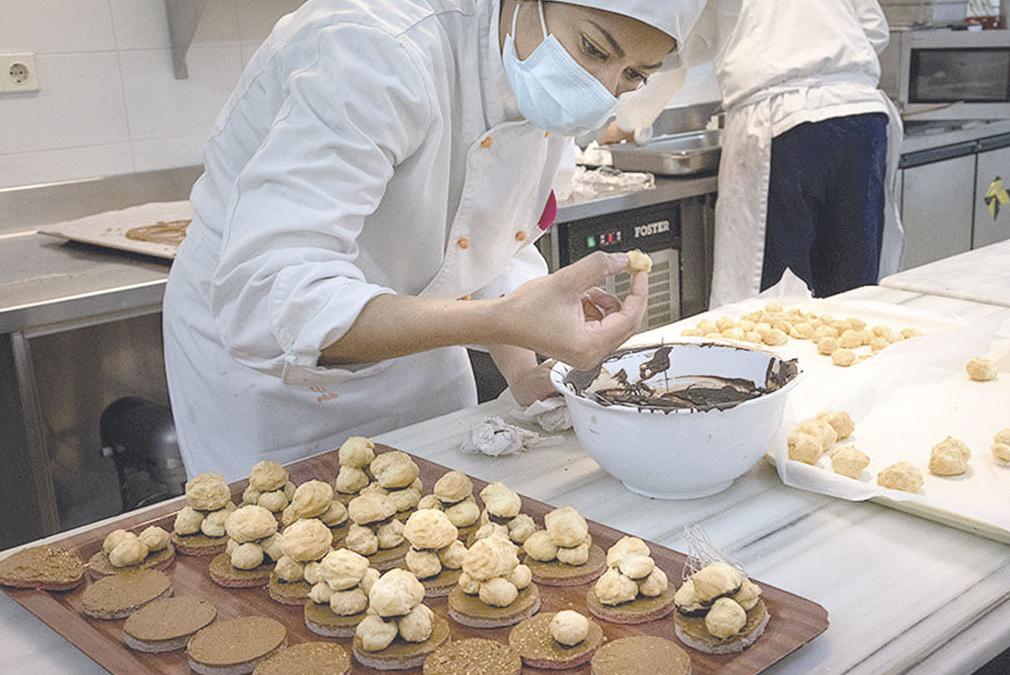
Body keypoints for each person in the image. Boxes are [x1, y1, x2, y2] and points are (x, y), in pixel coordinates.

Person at [163, 0, 706, 478]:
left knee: (443, 527)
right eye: (592, 48)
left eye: (635, 74)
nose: (601, 91)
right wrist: (501, 319)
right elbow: (271, 297)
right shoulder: (374, 48)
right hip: (271, 370)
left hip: (417, 333)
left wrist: (523, 370)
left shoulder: (533, 80)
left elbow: (493, 245)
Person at [610, 0, 903, 304]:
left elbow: (674, 47)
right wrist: (829, 58)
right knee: (850, 290)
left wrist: (631, 120)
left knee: (776, 294)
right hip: (861, 114)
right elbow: (874, 30)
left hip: (785, 123)